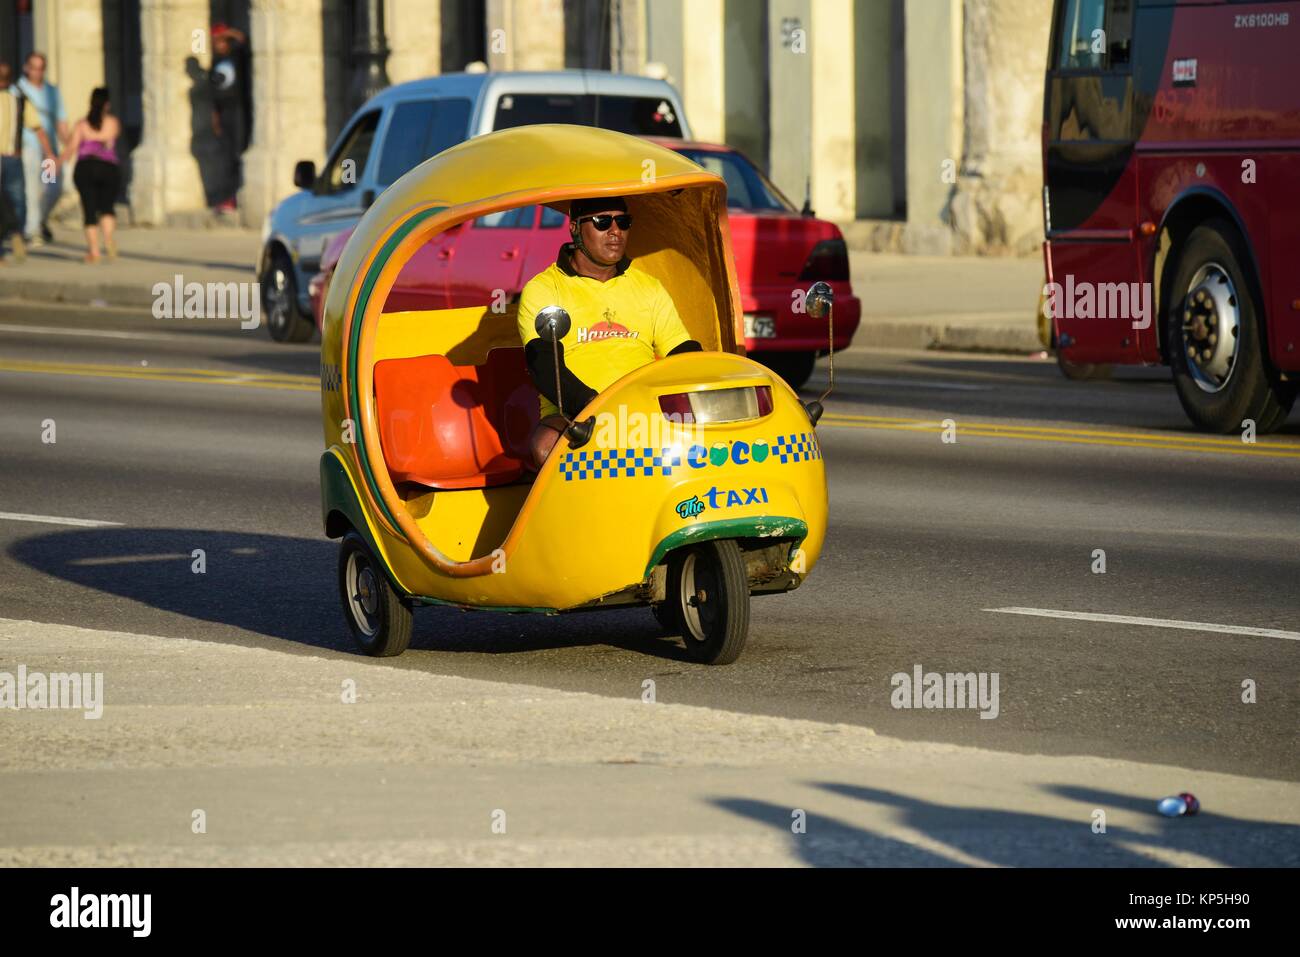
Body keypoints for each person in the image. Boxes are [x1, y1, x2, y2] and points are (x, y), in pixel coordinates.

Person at [516, 197, 702, 468]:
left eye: (623, 222)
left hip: (645, 410)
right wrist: (597, 407)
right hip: (576, 413)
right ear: (575, 228)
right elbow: (542, 365)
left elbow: (681, 354)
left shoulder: (649, 287)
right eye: (603, 222)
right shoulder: (545, 288)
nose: (615, 231)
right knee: (545, 445)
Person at [61, 88, 121, 263]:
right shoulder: (112, 122)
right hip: (108, 168)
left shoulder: (81, 124)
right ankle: (108, 240)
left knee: (89, 210)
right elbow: (109, 142)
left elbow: (71, 148)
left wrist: (55, 164)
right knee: (107, 207)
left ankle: (94, 252)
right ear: (107, 104)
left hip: (85, 167)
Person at [16, 52, 67, 247]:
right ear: (26, 68)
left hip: (49, 149)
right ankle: (32, 230)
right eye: (33, 67)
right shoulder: (18, 90)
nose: (37, 72)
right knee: (31, 188)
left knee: (52, 188)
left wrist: (69, 144)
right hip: (28, 147)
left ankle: (40, 220)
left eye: (41, 68)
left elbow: (60, 119)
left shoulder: (52, 91)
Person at [209, 23, 250, 212]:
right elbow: (215, 94)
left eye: (221, 40)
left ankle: (236, 196)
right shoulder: (215, 62)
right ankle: (227, 197)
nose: (218, 43)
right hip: (224, 115)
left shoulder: (236, 57)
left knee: (237, 154)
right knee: (226, 158)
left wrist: (228, 33)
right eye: (215, 40)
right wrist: (215, 118)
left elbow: (243, 39)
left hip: (238, 112)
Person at [0, 61, 36, 264]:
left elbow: (37, 126)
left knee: (15, 198)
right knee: (17, 198)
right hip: (16, 155)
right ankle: (17, 233)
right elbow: (38, 126)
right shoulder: (20, 98)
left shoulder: (20, 99)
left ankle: (15, 236)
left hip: (17, 156)